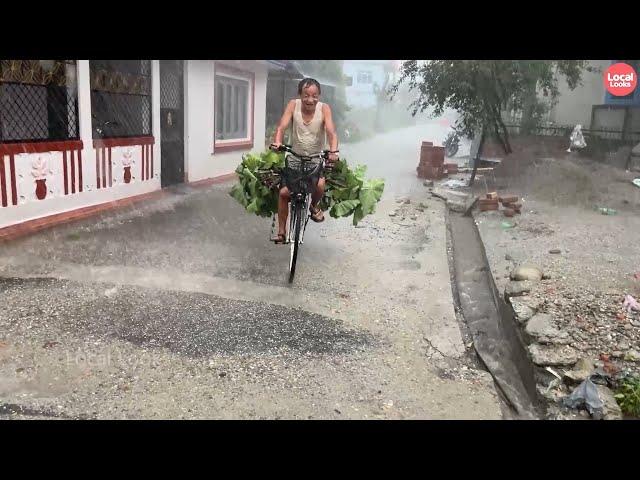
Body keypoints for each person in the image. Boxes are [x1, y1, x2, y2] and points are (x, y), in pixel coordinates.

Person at [269, 78, 339, 244]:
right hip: (294, 159)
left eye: (314, 95)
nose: (310, 99)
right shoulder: (293, 105)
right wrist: (278, 142)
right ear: (300, 95)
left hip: (315, 160)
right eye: (306, 95)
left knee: (320, 186)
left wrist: (334, 151)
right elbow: (281, 127)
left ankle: (313, 205)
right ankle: (281, 232)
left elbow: (331, 132)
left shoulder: (325, 109)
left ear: (319, 96)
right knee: (284, 193)